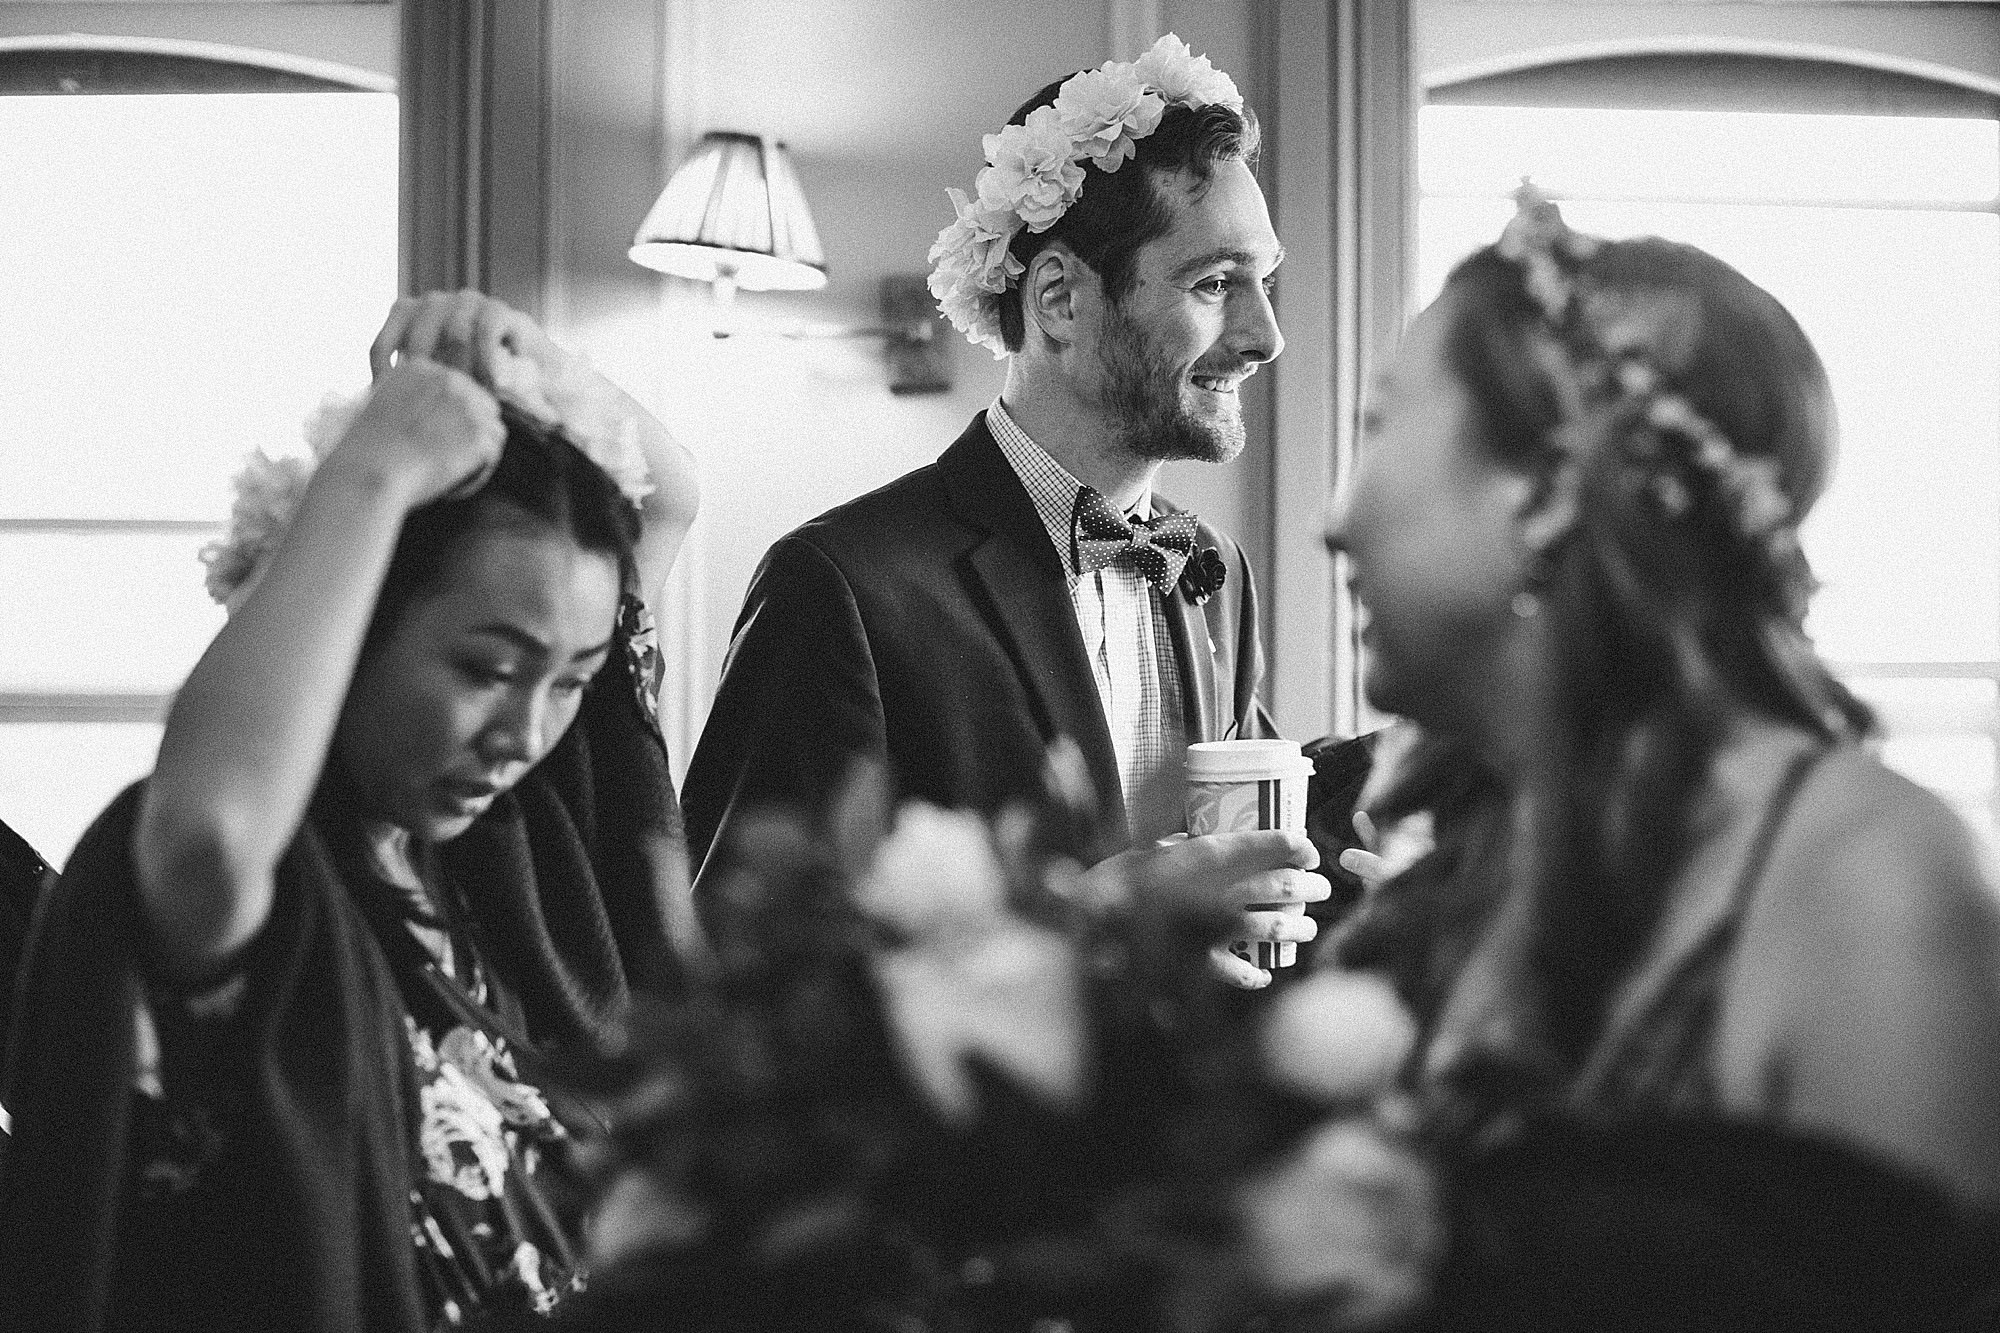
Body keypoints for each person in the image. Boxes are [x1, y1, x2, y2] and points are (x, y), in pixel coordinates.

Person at [0, 291, 700, 1332]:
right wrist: (373, 470)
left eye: (570, 680)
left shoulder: (517, 858)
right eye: (486, 669)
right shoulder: (280, 903)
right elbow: (208, 833)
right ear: (353, 624)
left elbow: (669, 496)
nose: (525, 733)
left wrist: (522, 356)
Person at [1324, 190, 2000, 1211]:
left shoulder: (1870, 886)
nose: (1335, 521)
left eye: (1376, 424)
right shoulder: (1476, 862)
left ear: (1547, 485)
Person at [682, 36, 1324, 987]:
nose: (1265, 335)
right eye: (1215, 283)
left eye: (1263, 282)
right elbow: (741, 976)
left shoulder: (1215, 572)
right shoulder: (842, 585)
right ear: (1060, 298)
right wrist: (1074, 932)